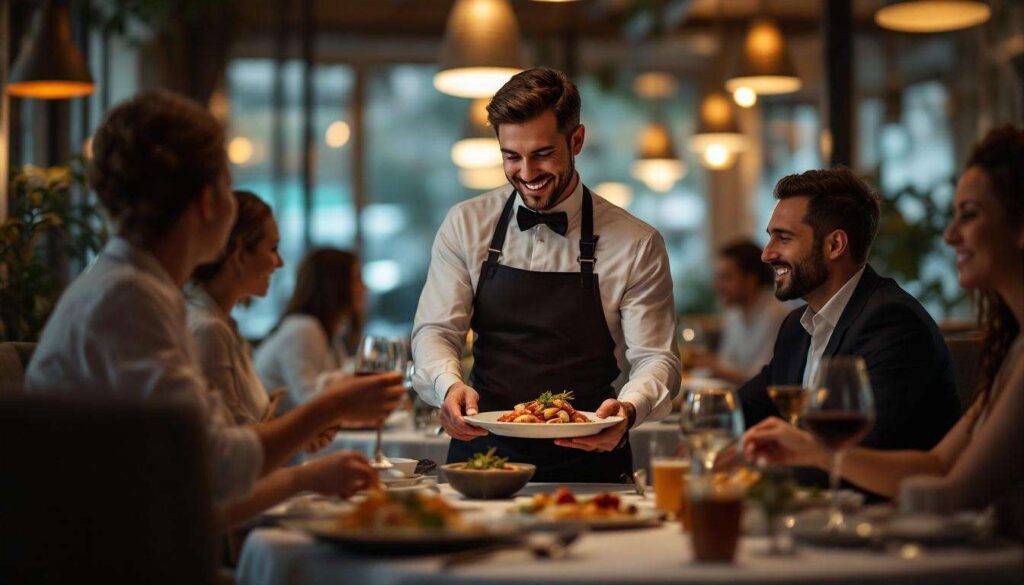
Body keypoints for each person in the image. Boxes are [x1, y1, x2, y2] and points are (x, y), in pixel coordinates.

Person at [24, 92, 403, 509]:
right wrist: (328, 407)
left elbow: (205, 447)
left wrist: (310, 432)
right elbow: (211, 470)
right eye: (227, 182)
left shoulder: (133, 286)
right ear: (207, 201)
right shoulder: (129, 299)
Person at [744, 127, 1024, 538]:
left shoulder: (892, 320)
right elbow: (936, 468)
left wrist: (816, 456)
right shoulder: (1013, 348)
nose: (949, 235)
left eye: (970, 214)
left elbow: (950, 493)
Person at [411, 68, 681, 482]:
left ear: (576, 141)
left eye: (541, 154)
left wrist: (627, 410)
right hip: (482, 457)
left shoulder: (636, 242)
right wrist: (448, 386)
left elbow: (656, 359)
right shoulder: (466, 225)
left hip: (591, 461)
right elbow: (435, 331)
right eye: (511, 156)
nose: (526, 172)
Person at [737, 166, 961, 492]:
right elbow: (745, 409)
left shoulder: (892, 322)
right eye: (770, 236)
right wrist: (705, 428)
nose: (767, 253)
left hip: (885, 526)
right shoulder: (796, 328)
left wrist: (748, 467)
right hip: (814, 517)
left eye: (783, 238)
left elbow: (860, 456)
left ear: (835, 245)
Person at [188, 190, 283, 425]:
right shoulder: (208, 330)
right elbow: (233, 450)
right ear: (239, 254)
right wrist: (327, 408)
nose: (279, 263)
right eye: (273, 249)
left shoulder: (223, 324)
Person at [254, 248, 365, 414]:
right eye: (356, 278)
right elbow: (308, 401)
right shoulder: (303, 329)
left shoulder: (327, 330)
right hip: (278, 432)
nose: (363, 287)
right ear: (335, 283)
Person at [693, 240, 790, 384]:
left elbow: (764, 377)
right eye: (717, 278)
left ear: (750, 280)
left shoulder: (775, 314)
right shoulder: (734, 313)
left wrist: (713, 366)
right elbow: (727, 362)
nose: (717, 286)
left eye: (726, 278)